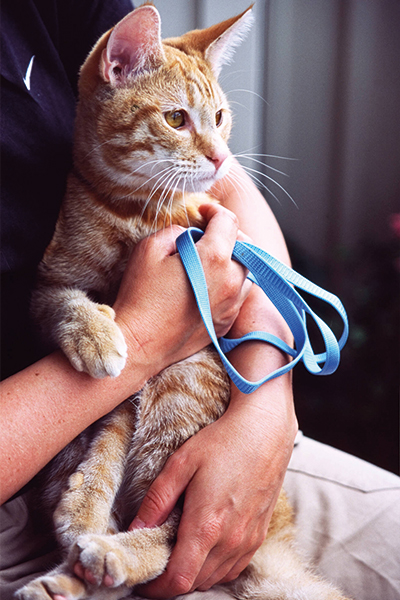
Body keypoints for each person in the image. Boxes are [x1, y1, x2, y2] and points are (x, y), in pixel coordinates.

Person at [1, 2, 399, 600]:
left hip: (220, 424)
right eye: (184, 122)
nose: (213, 152)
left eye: (219, 119)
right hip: (42, 471)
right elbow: (73, 308)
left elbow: (234, 189)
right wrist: (139, 340)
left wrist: (264, 410)